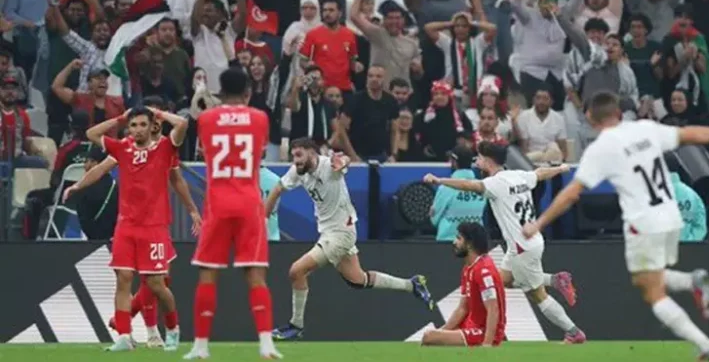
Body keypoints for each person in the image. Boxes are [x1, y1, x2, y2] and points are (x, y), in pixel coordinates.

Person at [522, 91, 709, 360]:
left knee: (653, 293)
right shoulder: (645, 128)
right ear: (619, 113)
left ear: (590, 118)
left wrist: (539, 222)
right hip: (671, 215)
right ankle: (692, 283)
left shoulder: (602, 148)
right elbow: (690, 134)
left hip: (644, 222)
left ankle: (705, 344)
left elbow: (572, 193)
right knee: (646, 278)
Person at [265, 137, 434, 341]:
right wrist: (263, 216)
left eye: (299, 155)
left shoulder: (328, 165)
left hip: (341, 233)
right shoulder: (297, 171)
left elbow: (343, 162)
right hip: (330, 232)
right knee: (359, 280)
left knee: (296, 271)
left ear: (311, 152)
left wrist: (343, 162)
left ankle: (296, 325)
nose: (296, 160)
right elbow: (278, 188)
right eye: (293, 156)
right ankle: (412, 284)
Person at [66, 96, 202, 346]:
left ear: (151, 125)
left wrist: (157, 113)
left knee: (157, 284)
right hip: (126, 225)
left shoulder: (165, 148)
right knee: (123, 278)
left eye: (142, 124)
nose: (137, 130)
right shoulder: (122, 148)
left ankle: (172, 328)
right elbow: (92, 136)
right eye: (133, 125)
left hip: (155, 226)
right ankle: (124, 336)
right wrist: (120, 118)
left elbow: (183, 125)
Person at [423, 142, 584, 342]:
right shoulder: (519, 175)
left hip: (522, 247)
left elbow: (469, 185)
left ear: (488, 161)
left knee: (537, 295)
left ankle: (574, 332)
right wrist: (560, 168)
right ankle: (554, 280)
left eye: (479, 158)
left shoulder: (495, 183)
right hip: (528, 243)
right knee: (498, 281)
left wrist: (439, 180)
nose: (477, 162)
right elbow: (540, 173)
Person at [185, 68, 282, 360]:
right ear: (248, 92)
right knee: (255, 274)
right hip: (249, 203)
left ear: (221, 90)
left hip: (217, 203)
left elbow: (206, 133)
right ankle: (266, 344)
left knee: (208, 274)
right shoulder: (260, 118)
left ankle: (200, 346)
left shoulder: (207, 119)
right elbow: (256, 145)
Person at [421, 221, 506, 347]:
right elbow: (463, 308)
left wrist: (487, 344)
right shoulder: (468, 269)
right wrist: (442, 331)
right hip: (471, 327)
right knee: (431, 337)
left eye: (459, 238)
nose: (454, 242)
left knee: (429, 336)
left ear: (469, 244)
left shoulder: (484, 270)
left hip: (482, 332)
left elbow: (493, 309)